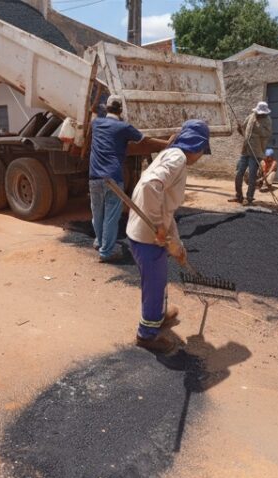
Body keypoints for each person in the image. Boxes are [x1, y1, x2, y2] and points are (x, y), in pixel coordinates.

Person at [126, 119, 211, 354]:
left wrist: (178, 246)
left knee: (159, 280)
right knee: (154, 285)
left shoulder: (171, 155)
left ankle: (159, 316)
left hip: (147, 233)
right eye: (202, 150)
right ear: (197, 146)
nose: (201, 156)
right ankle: (146, 335)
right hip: (147, 237)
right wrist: (156, 225)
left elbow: (166, 209)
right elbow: (149, 186)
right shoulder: (178, 159)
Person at [89, 95, 161, 263]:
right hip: (113, 177)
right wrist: (167, 143)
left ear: (107, 108)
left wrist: (95, 101)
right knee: (111, 216)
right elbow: (144, 140)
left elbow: (93, 112)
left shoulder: (96, 124)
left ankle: (99, 242)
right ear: (120, 110)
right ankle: (106, 253)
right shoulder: (124, 127)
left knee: (97, 213)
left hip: (94, 176)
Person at [229, 101, 272, 205]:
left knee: (252, 176)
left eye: (261, 113)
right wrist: (239, 128)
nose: (259, 114)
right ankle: (238, 196)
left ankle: (249, 198)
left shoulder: (267, 121)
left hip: (256, 151)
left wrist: (257, 129)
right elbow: (243, 130)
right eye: (258, 112)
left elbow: (267, 134)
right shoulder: (251, 116)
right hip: (245, 150)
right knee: (238, 173)